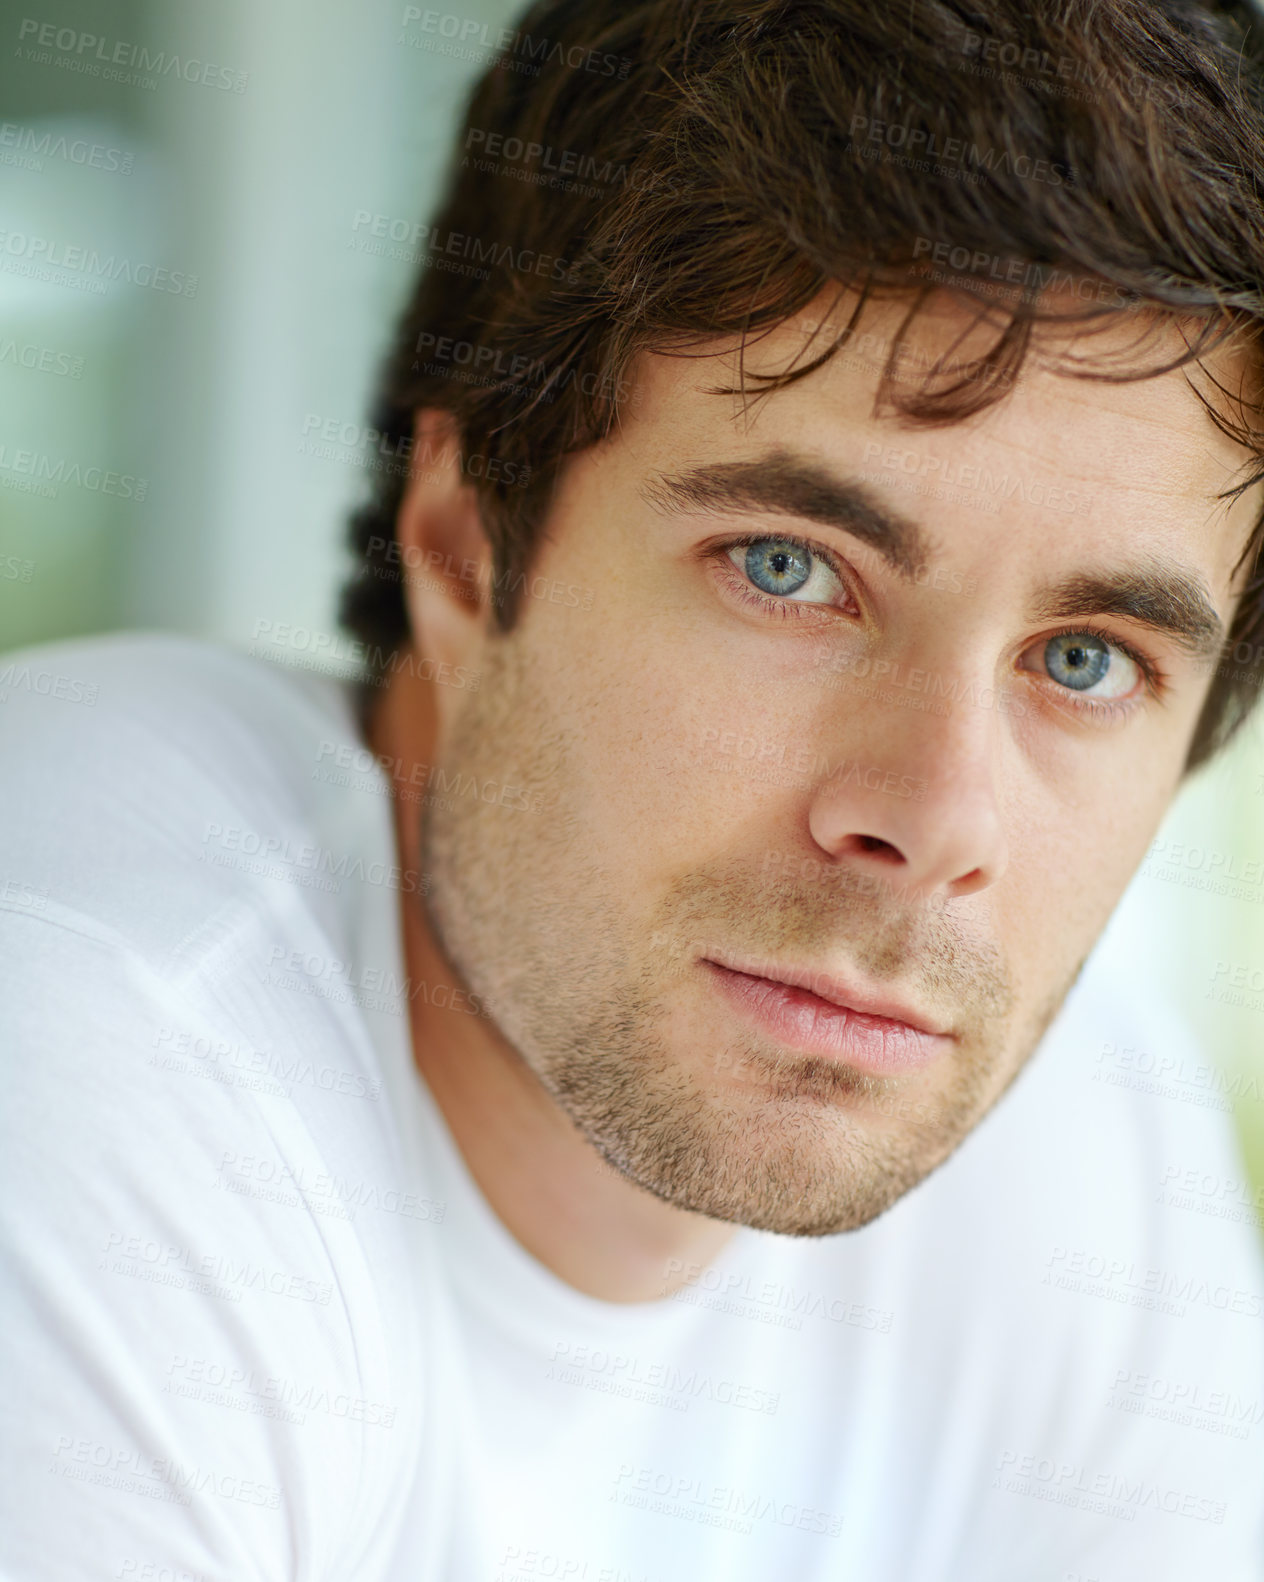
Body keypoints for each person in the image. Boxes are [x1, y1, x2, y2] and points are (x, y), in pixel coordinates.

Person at [5, 0, 1264, 1575]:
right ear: (468, 550)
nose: (936, 821)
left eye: (1085, 662)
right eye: (793, 569)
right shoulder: (81, 1028)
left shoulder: (1093, 1176)